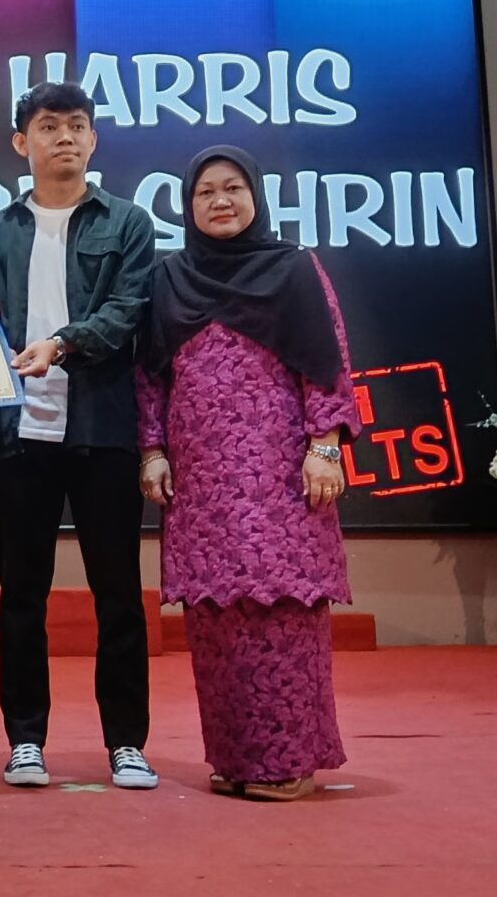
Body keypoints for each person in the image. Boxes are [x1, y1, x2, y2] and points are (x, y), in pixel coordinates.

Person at [138, 145, 359, 802]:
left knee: (282, 612)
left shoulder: (293, 269)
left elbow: (328, 359)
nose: (220, 201)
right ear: (188, 205)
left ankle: (288, 764)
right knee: (216, 619)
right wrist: (152, 450)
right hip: (201, 482)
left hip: (279, 477)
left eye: (233, 188)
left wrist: (325, 446)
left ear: (255, 196)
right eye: (205, 192)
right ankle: (237, 759)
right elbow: (150, 377)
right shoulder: (169, 278)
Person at [0, 81, 160, 790]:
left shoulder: (128, 222)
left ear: (94, 139)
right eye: (49, 126)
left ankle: (127, 743)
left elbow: (128, 310)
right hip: (20, 436)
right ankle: (25, 739)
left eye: (78, 125)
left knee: (119, 594)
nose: (66, 138)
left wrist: (61, 342)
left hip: (103, 430)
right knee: (22, 596)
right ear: (22, 142)